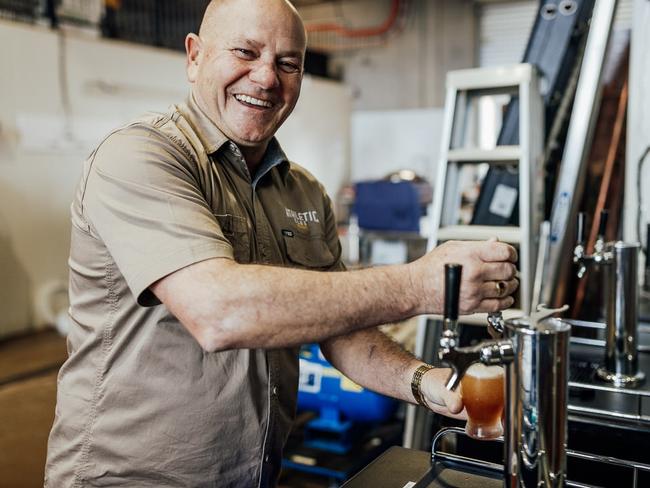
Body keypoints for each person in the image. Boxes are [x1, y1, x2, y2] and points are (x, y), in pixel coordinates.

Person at [44, 0, 518, 486]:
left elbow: (343, 332)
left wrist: (427, 383)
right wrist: (420, 285)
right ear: (194, 56)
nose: (267, 78)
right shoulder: (140, 157)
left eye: (287, 64)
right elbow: (218, 311)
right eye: (245, 52)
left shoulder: (302, 191)